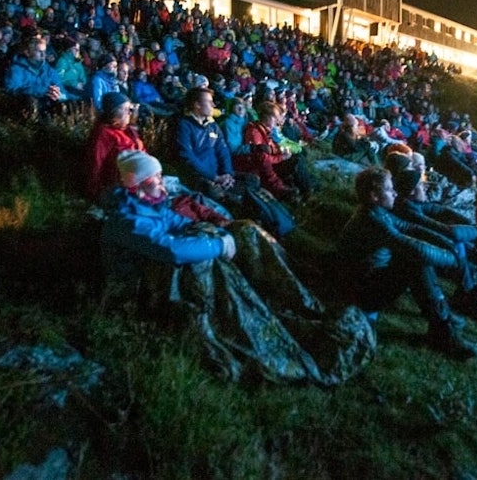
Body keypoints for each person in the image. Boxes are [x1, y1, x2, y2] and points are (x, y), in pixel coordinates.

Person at [99, 151, 375, 385]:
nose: (161, 186)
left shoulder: (150, 205)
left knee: (244, 230)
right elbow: (170, 249)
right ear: (134, 186)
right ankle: (247, 327)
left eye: (160, 179)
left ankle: (299, 300)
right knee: (204, 259)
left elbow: (177, 223)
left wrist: (225, 232)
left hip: (160, 268)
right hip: (140, 290)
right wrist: (220, 245)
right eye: (153, 181)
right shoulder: (127, 220)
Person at [338, 167, 477, 361]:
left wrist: (447, 245)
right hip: (360, 290)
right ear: (374, 195)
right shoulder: (372, 220)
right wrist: (454, 259)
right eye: (390, 189)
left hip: (368, 278)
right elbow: (413, 247)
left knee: (416, 260)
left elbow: (410, 228)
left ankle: (443, 320)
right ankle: (443, 331)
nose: (395, 193)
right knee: (416, 262)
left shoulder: (377, 212)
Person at [234, 101, 311, 202]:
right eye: (275, 117)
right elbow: (261, 158)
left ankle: (305, 188)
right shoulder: (255, 132)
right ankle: (303, 192)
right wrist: (281, 158)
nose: (278, 121)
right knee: (295, 162)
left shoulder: (266, 130)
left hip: (271, 163)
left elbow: (271, 149)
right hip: (262, 169)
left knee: (297, 158)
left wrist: (281, 153)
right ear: (267, 117)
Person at [176, 86, 238, 200]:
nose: (214, 105)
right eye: (209, 102)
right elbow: (187, 157)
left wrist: (227, 173)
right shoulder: (184, 126)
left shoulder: (212, 125)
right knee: (218, 194)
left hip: (219, 175)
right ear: (197, 105)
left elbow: (223, 150)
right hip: (201, 178)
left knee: (252, 180)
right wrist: (214, 178)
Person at [85, 92, 145, 202]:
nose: (130, 112)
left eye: (130, 108)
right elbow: (95, 163)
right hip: (121, 185)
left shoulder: (129, 129)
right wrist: (96, 193)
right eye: (126, 109)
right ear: (114, 112)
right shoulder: (103, 134)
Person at [3, 33, 70, 118]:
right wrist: (41, 91)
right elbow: (12, 91)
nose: (43, 55)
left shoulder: (49, 70)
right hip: (26, 108)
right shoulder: (16, 69)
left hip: (48, 106)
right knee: (29, 101)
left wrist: (59, 95)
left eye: (44, 51)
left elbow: (63, 91)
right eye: (39, 51)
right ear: (27, 52)